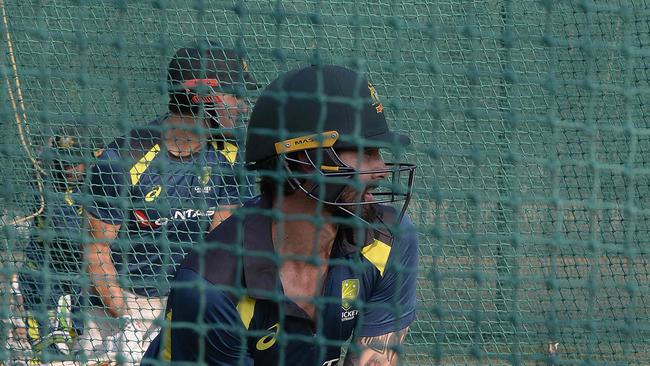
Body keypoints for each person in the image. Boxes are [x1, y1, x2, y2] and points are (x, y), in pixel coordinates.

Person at [143, 65, 419, 366]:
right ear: (303, 159)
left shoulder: (390, 238)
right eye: (365, 152)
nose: (381, 169)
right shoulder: (212, 288)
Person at [80, 42, 257, 364]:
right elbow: (96, 250)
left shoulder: (232, 154)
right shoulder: (124, 156)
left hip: (193, 299)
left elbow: (225, 241)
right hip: (123, 302)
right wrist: (129, 318)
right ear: (202, 97)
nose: (243, 106)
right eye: (235, 95)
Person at [17, 125, 101, 362]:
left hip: (80, 275)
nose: (69, 168)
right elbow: (71, 231)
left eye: (77, 161)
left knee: (85, 344)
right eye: (64, 160)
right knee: (49, 350)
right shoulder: (47, 183)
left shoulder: (103, 180)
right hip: (43, 276)